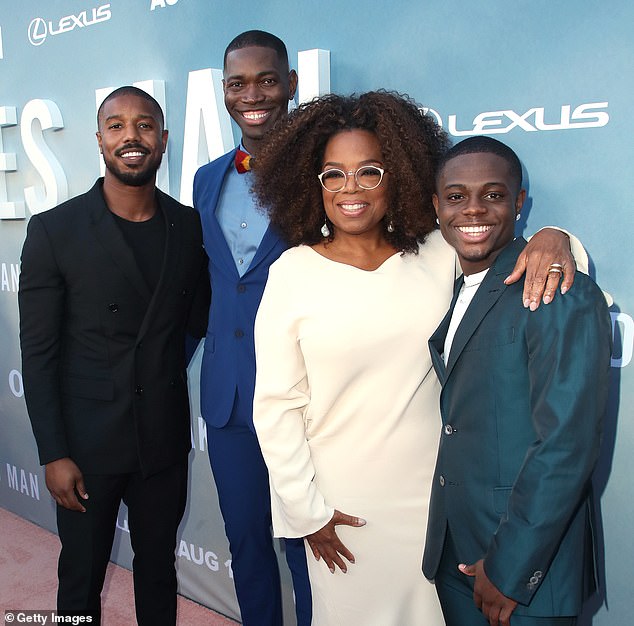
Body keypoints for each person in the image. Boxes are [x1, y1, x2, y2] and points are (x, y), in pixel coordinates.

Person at [250, 91, 579, 625]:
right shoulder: (293, 273)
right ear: (314, 183)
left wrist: (556, 236)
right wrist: (305, 512)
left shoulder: (437, 254)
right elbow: (276, 406)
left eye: (370, 172)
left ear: (398, 176)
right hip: (344, 509)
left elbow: (512, 255)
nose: (350, 188)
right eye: (334, 174)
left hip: (439, 502)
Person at [18, 86, 210, 625]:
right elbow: (39, 354)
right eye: (118, 125)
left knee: (157, 571)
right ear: (100, 139)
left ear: (164, 139)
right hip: (84, 449)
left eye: (145, 125)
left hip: (161, 445)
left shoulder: (187, 226)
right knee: (80, 574)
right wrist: (53, 453)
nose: (132, 136)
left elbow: (194, 323)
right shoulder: (55, 230)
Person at [423, 136, 611, 626]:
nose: (474, 210)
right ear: (437, 205)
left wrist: (510, 568)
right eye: (457, 196)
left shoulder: (555, 287)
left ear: (520, 202)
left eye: (494, 194)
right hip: (457, 554)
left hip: (524, 572)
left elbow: (566, 443)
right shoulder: (460, 281)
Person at [192, 31, 311, 626]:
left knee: (310, 550)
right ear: (224, 93)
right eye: (238, 83)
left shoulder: (328, 176)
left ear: (291, 84)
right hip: (229, 399)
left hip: (305, 399)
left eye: (267, 79)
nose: (253, 94)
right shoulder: (206, 178)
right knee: (247, 545)